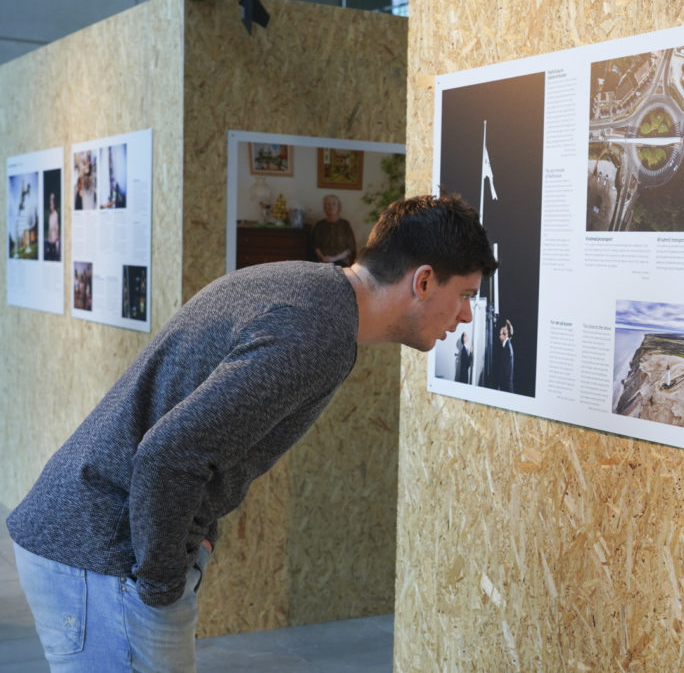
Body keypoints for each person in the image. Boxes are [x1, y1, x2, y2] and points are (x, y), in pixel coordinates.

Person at [6, 193, 497, 672]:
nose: (467, 315)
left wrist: (199, 538)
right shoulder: (317, 332)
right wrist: (160, 587)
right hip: (102, 553)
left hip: (93, 538)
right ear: (425, 281)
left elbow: (200, 440)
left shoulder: (308, 291)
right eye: (466, 296)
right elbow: (169, 452)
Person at [312, 194, 358, 266]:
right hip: (323, 262)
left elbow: (350, 248)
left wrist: (334, 259)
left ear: (339, 206)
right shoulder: (319, 225)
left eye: (334, 204)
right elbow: (316, 246)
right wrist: (323, 258)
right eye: (328, 204)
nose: (331, 207)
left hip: (342, 262)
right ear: (324, 207)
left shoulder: (345, 224)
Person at [495, 319, 514, 392]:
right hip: (505, 385)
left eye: (505, 328)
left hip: (506, 387)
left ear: (507, 333)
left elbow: (506, 371)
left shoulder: (508, 348)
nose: (503, 328)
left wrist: (500, 385)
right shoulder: (505, 346)